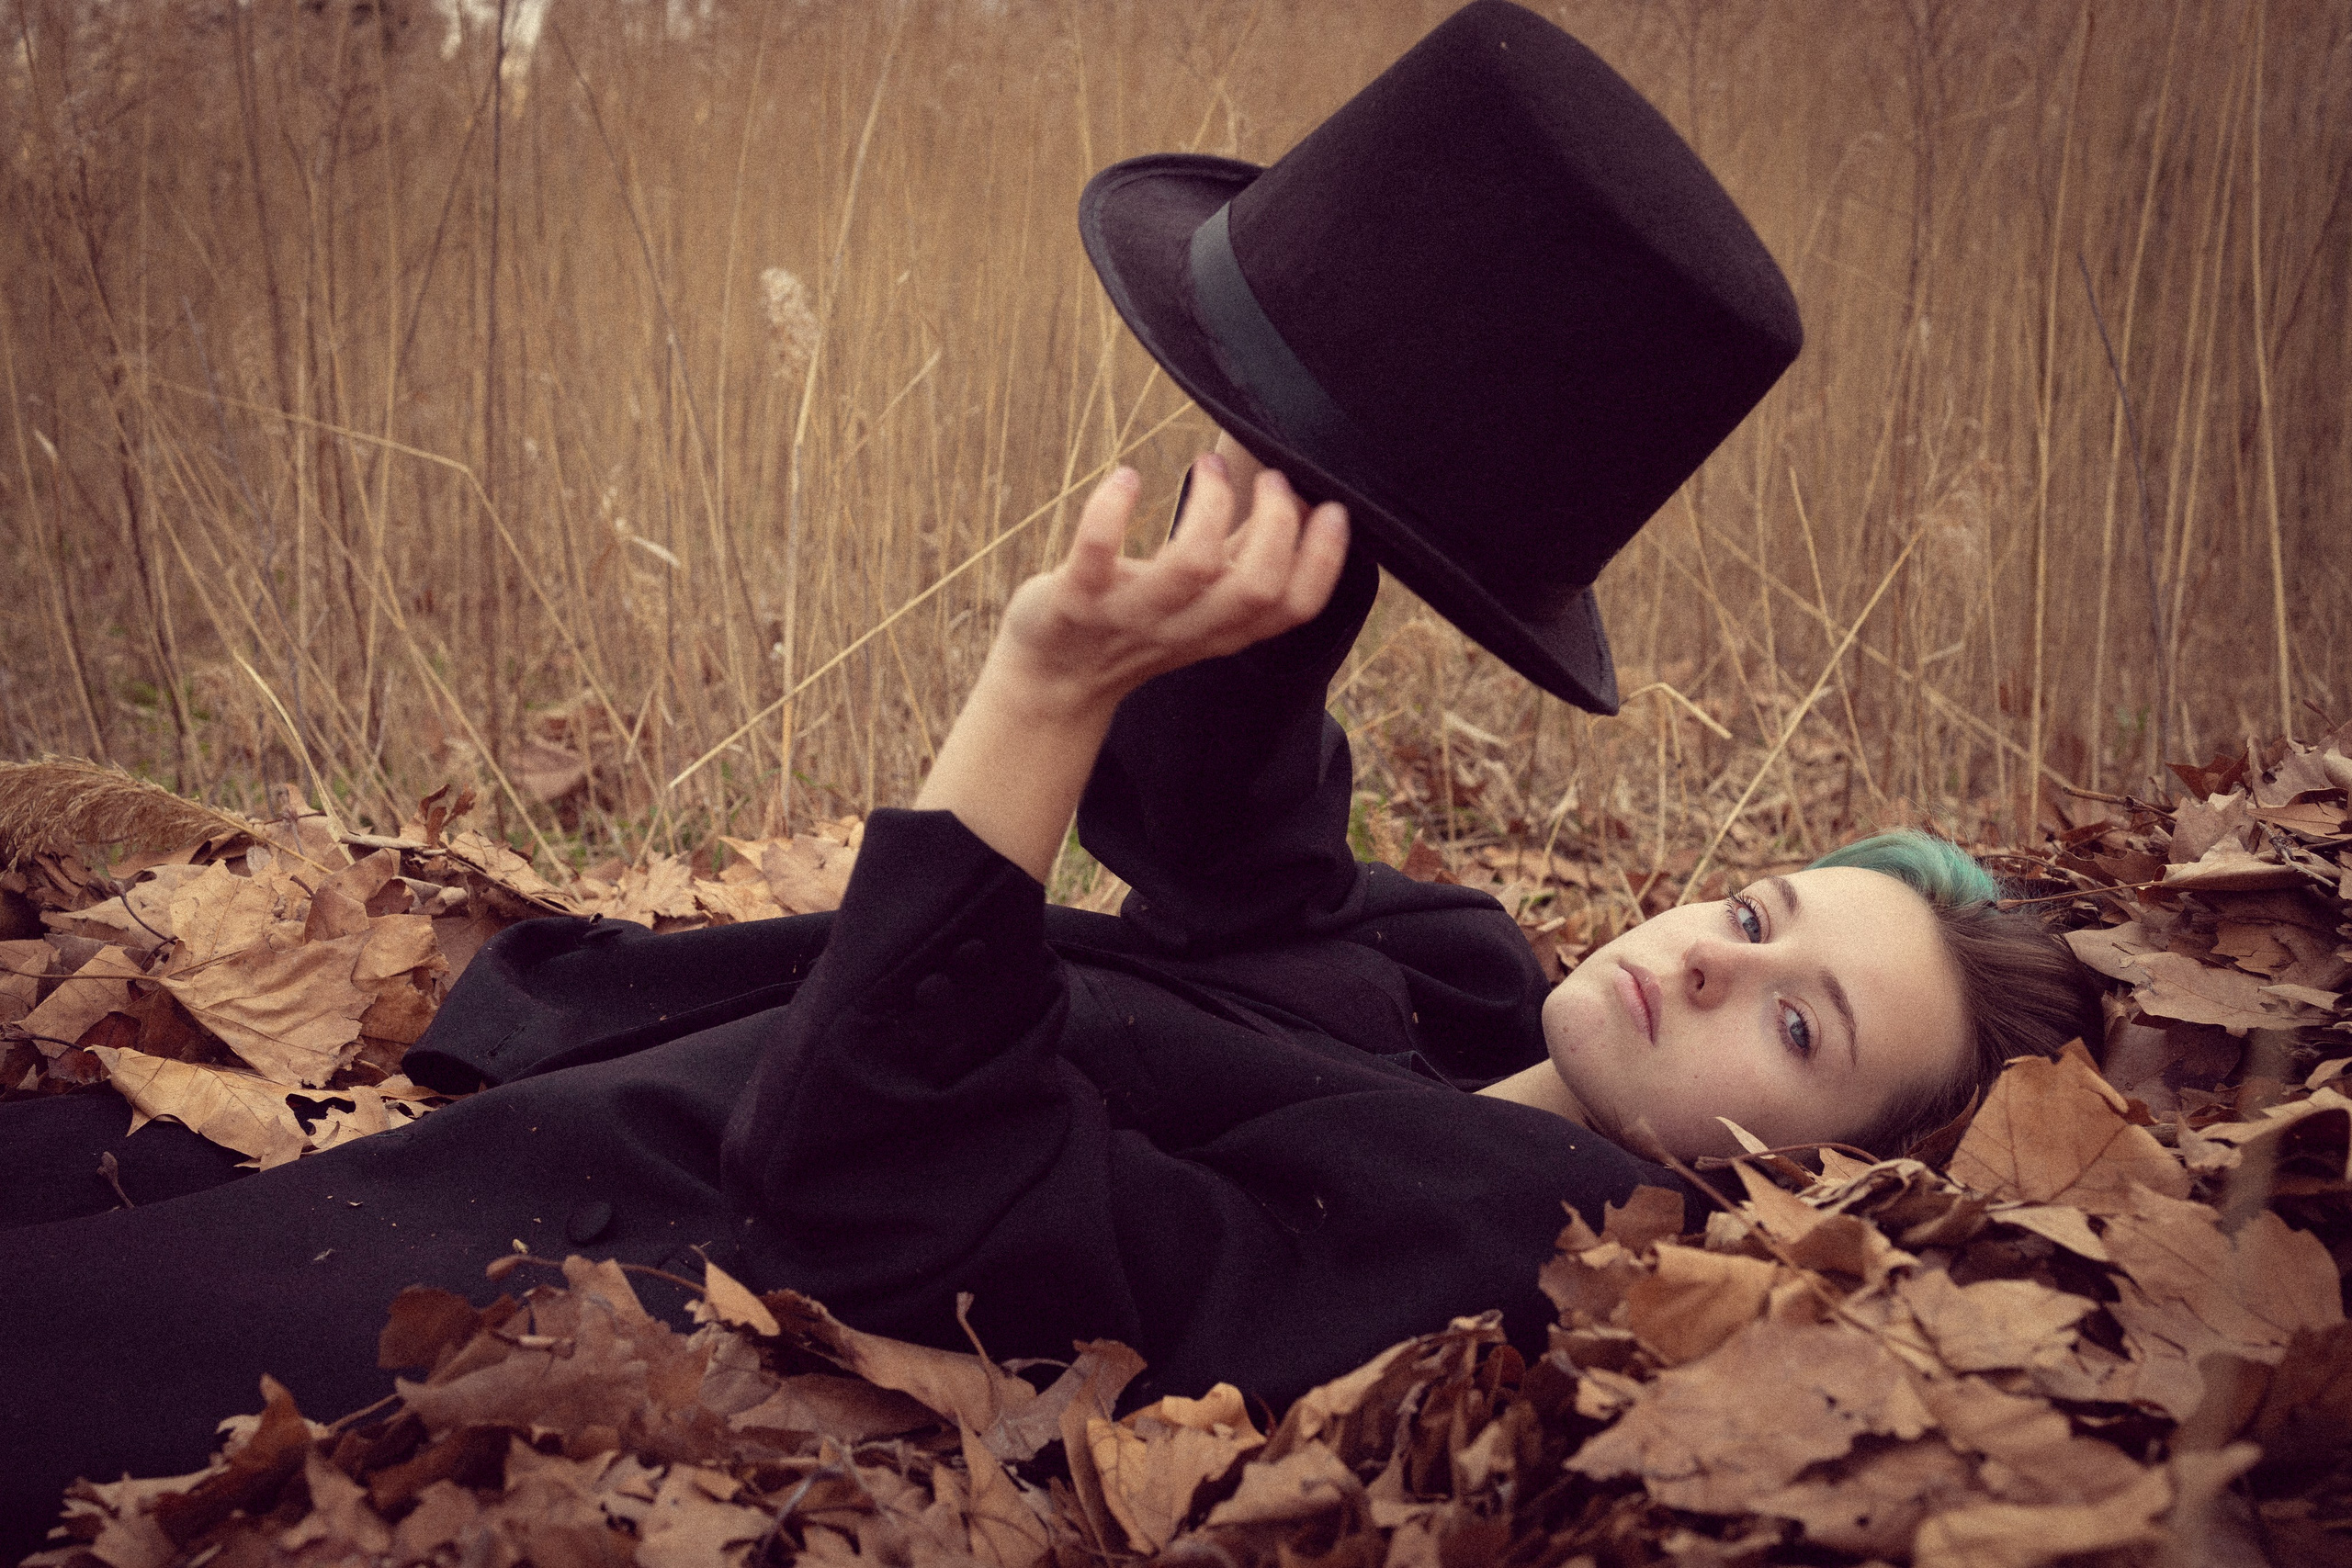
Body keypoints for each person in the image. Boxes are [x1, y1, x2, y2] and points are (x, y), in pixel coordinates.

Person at [0, 2, 2100, 1550]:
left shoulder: (1485, 1246)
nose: (1705, 964)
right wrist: (1328, 515)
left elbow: (909, 1186)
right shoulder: (1475, 985)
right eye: (1754, 917)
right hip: (553, 1095)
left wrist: (1038, 686)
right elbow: (1229, 859)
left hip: (528, 1273)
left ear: (1804, 1182)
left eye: (1797, 1021)